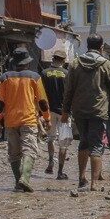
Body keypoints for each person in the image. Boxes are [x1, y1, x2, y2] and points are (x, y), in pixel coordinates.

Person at [62, 34, 110, 191]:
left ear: (87, 46)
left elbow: (69, 89)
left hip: (79, 110)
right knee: (96, 145)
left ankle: (81, 179)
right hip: (98, 110)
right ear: (101, 47)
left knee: (83, 142)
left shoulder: (75, 63)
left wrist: (65, 110)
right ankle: (94, 184)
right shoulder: (105, 64)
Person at [0, 47, 50, 192]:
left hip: (10, 121)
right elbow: (43, 101)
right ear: (27, 63)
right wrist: (47, 118)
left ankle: (18, 183)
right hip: (29, 120)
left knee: (14, 153)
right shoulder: (34, 77)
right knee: (29, 150)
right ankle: (24, 179)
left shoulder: (4, 78)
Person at [40, 50, 70, 179]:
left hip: (48, 111)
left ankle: (51, 162)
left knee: (51, 138)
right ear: (63, 60)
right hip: (64, 112)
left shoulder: (44, 73)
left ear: (53, 59)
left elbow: (40, 93)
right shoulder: (67, 74)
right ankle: (60, 171)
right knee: (63, 142)